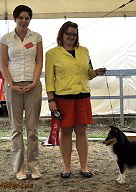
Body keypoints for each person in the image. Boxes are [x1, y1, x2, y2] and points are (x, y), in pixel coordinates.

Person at [45, 21, 106, 178]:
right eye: (68, 34)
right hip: (63, 98)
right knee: (65, 132)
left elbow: (88, 73)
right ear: (62, 35)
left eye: (74, 34)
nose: (71, 37)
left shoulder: (84, 51)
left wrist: (96, 72)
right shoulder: (52, 54)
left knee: (82, 132)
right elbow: (49, 79)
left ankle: (84, 167)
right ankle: (66, 168)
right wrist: (51, 100)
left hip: (83, 96)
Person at [0, 5, 43, 180]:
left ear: (30, 19)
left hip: (33, 86)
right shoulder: (6, 38)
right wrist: (11, 84)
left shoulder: (37, 37)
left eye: (27, 18)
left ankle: (34, 167)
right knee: (16, 130)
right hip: (13, 87)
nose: (24, 21)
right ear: (15, 18)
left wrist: (34, 82)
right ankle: (19, 168)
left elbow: (39, 62)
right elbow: (3, 64)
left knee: (32, 129)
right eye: (21, 17)